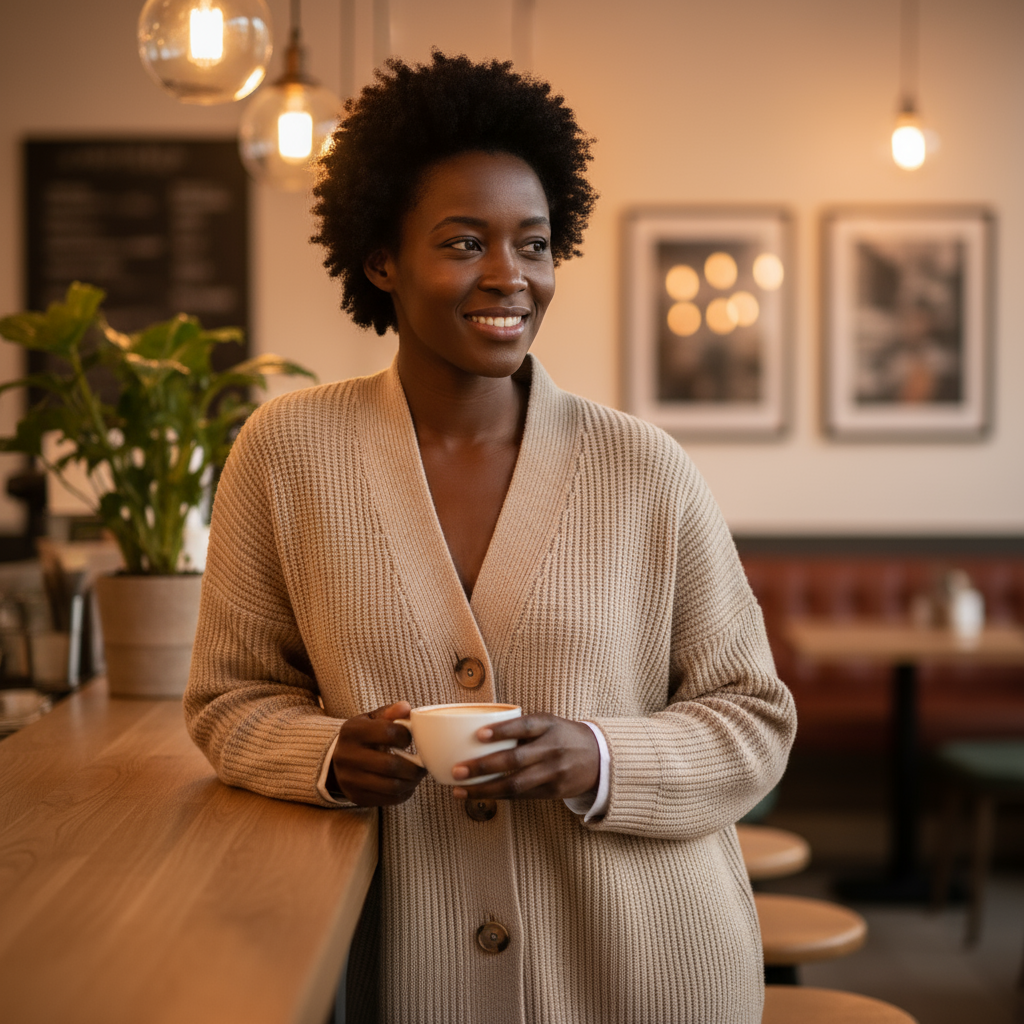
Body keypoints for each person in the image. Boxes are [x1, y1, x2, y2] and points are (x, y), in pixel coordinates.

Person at [184, 51, 796, 1024]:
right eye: (464, 242)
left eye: (535, 243)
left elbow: (753, 720)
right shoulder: (286, 452)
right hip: (418, 975)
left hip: (642, 972)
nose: (509, 275)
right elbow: (229, 701)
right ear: (382, 258)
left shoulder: (645, 469)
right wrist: (327, 752)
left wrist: (597, 756)